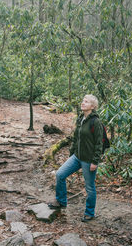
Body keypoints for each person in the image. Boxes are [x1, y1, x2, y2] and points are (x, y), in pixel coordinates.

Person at [48, 94, 103, 222]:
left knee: (89, 187)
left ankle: (90, 213)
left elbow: (99, 143)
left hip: (88, 160)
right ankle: (61, 201)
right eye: (83, 100)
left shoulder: (96, 122)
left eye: (86, 101)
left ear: (93, 106)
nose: (83, 103)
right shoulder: (80, 119)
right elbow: (76, 138)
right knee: (60, 174)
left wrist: (95, 161)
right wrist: (71, 153)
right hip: (77, 157)